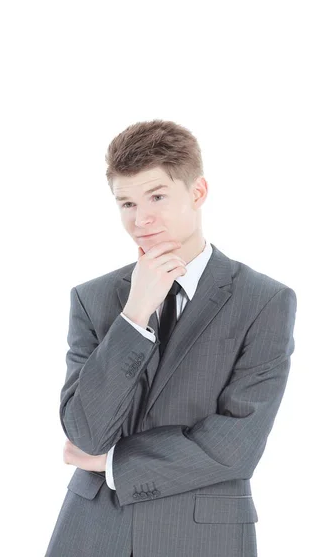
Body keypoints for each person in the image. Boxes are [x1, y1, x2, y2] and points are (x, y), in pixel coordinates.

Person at [44, 120, 297, 557]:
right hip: (93, 532)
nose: (140, 219)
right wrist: (134, 315)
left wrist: (112, 463)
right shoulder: (94, 299)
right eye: (126, 202)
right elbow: (85, 432)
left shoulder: (264, 300)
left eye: (157, 196)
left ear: (197, 193)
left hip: (203, 535)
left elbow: (237, 445)